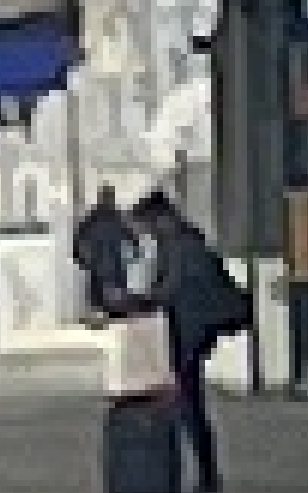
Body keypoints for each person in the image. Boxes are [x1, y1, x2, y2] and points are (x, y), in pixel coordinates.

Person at [131, 189, 251, 493]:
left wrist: (140, 301)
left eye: (146, 225)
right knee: (189, 405)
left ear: (160, 218)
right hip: (188, 330)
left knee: (190, 406)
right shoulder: (182, 241)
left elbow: (170, 288)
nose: (146, 232)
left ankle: (206, 476)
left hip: (191, 333)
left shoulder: (182, 244)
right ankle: (204, 474)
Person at [73, 183, 133, 317]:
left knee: (102, 299)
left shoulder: (92, 219)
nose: (109, 200)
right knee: (112, 299)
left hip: (103, 268)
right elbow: (132, 241)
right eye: (109, 197)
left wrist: (82, 260)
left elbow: (78, 242)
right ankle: (113, 314)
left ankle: (105, 314)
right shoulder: (120, 218)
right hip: (112, 268)